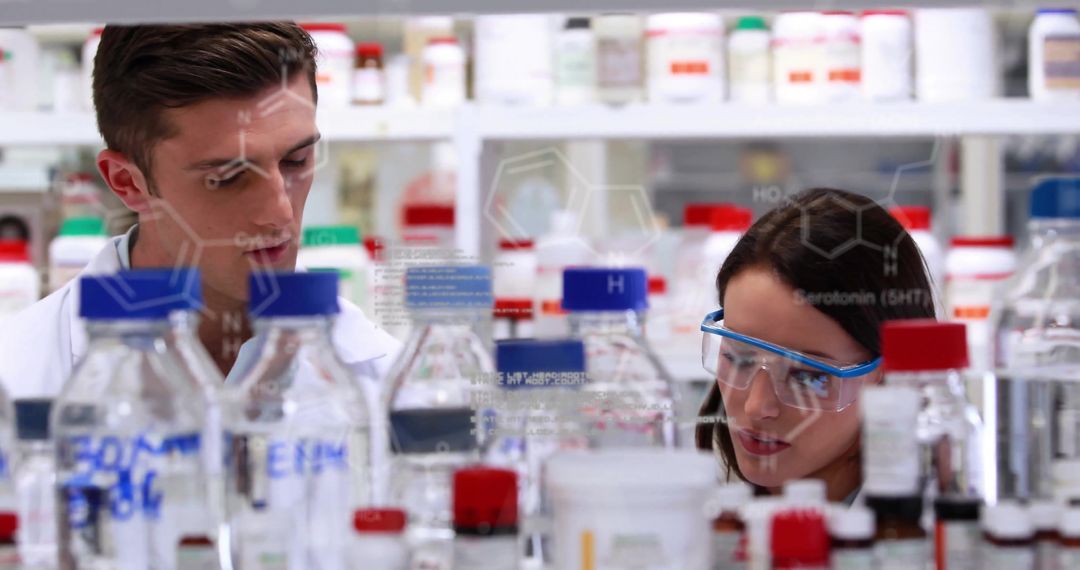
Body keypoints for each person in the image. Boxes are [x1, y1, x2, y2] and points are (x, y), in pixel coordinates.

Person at [0, 23, 399, 398]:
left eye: (296, 160)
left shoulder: (385, 379)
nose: (279, 214)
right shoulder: (17, 377)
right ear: (127, 182)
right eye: (227, 177)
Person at [696, 188, 935, 503]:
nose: (757, 407)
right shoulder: (705, 508)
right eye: (739, 359)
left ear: (889, 376)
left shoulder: (923, 537)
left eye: (807, 376)